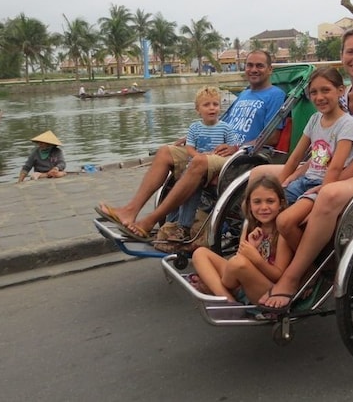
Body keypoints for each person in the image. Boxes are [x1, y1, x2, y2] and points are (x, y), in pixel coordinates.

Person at [258, 28, 353, 311]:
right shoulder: (343, 95)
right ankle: (270, 258)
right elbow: (324, 143)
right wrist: (298, 173)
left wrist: (326, 181)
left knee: (325, 195)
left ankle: (293, 276)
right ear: (342, 57)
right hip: (338, 167)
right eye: (351, 51)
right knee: (259, 177)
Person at [95, 50, 285, 241]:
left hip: (241, 158)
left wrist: (237, 147)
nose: (253, 69)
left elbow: (272, 137)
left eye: (259, 66)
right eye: (250, 65)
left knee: (199, 161)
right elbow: (221, 122)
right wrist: (191, 137)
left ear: (269, 69)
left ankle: (150, 221)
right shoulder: (245, 94)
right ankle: (130, 210)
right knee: (165, 152)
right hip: (217, 150)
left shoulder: (275, 95)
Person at [263, 67, 353, 251]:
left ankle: (310, 265)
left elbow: (335, 167)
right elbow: (296, 157)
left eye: (325, 90)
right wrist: (279, 185)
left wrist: (321, 193)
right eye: (313, 92)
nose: (319, 97)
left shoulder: (347, 124)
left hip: (324, 186)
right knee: (268, 206)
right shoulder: (315, 119)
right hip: (306, 180)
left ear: (341, 90)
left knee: (286, 221)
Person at [191, 175, 292, 304]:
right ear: (249, 205)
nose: (264, 207)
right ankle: (227, 299)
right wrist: (252, 247)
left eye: (270, 201)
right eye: (257, 202)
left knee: (238, 263)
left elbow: (279, 276)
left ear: (281, 204)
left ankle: (215, 288)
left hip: (267, 290)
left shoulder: (282, 233)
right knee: (200, 253)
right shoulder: (250, 225)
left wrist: (256, 258)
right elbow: (237, 266)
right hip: (241, 279)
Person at [160, 86, 240, 242]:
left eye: (215, 104)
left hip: (214, 167)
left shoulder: (226, 128)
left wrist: (231, 149)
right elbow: (189, 147)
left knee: (191, 185)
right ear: (198, 109)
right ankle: (170, 223)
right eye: (207, 105)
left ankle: (184, 226)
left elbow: (233, 149)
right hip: (196, 165)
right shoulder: (194, 127)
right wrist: (197, 156)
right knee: (179, 188)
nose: (212, 108)